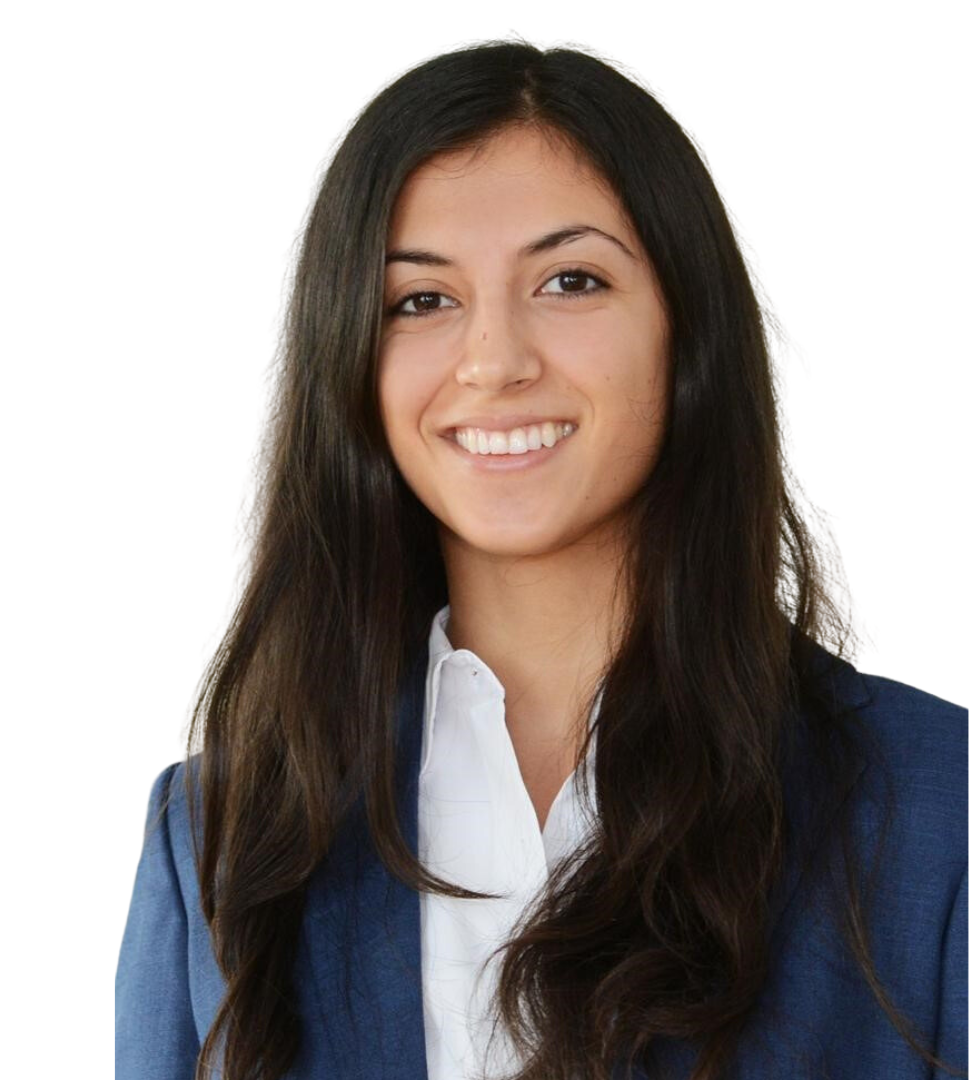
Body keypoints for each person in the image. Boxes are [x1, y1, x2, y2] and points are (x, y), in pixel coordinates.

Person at [115, 39, 967, 1080]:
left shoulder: (938, 813)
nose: (495, 362)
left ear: (688, 327)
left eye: (571, 280)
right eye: (420, 300)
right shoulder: (219, 838)